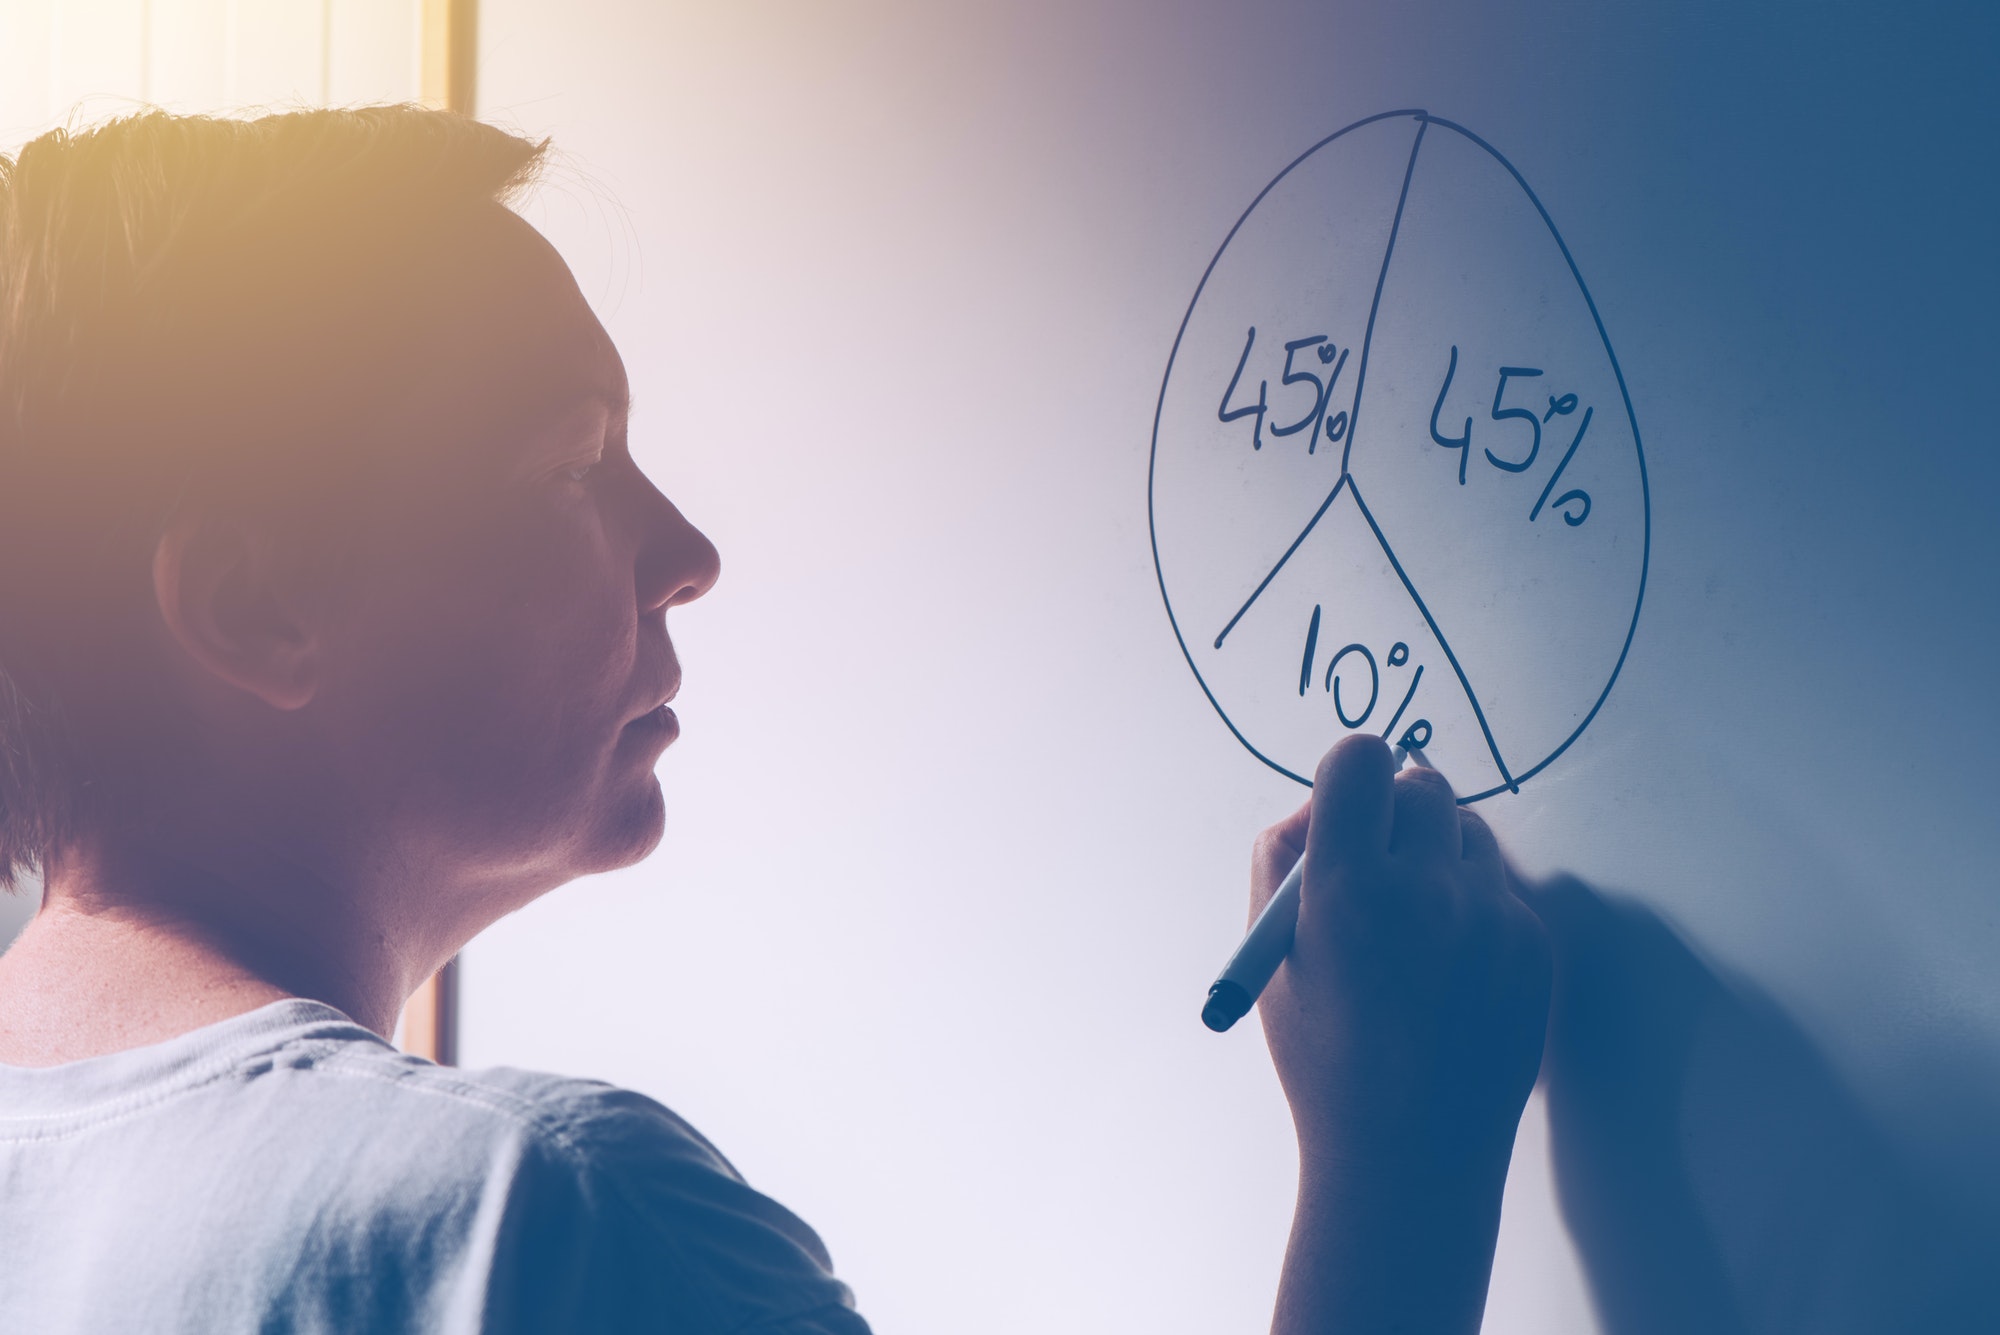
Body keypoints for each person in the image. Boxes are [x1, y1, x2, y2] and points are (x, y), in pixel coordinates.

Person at [0, 107, 1551, 1333]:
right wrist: (1399, 1179)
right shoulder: (551, 1228)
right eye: (567, 466)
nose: (685, 553)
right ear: (261, 605)